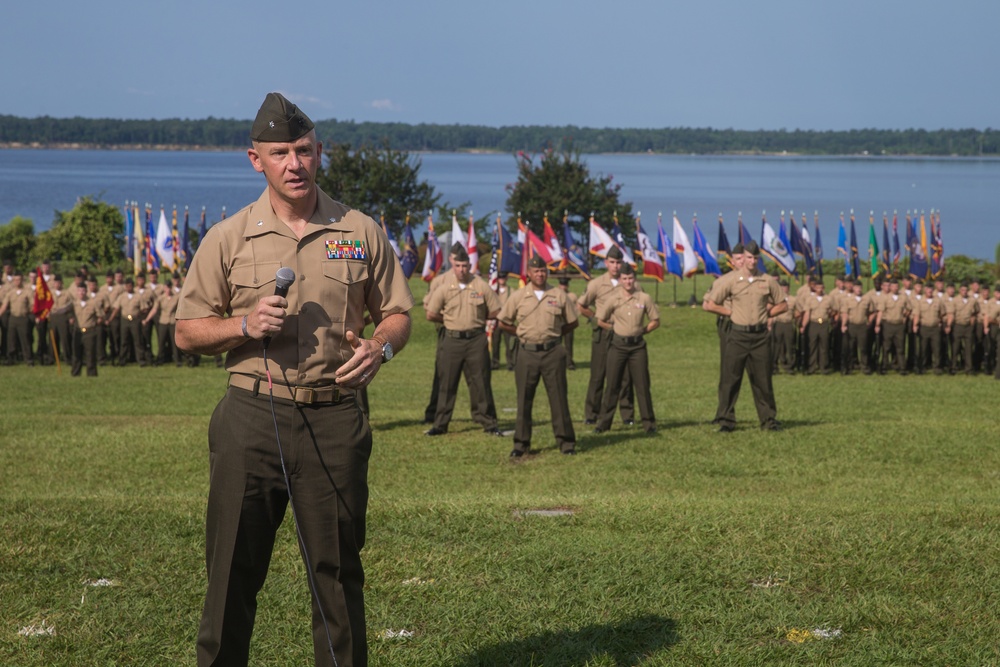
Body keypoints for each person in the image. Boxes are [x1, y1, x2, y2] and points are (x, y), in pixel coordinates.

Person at [174, 92, 414, 667]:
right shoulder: (229, 237)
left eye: (303, 150)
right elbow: (186, 331)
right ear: (256, 160)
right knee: (231, 572)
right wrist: (241, 323)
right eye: (279, 152)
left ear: (319, 152)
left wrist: (380, 347)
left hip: (335, 418)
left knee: (337, 577)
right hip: (251, 419)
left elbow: (400, 313)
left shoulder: (358, 231)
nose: (294, 163)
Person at [497, 255, 579, 457]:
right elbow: (503, 321)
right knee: (524, 399)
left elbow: (572, 322)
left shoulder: (558, 295)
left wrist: (556, 335)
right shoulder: (518, 296)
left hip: (553, 353)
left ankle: (566, 443)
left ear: (547, 272)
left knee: (559, 399)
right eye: (536, 271)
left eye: (543, 271)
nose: (540, 274)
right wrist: (521, 333)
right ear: (529, 273)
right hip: (527, 353)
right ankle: (521, 444)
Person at [702, 242, 786, 432]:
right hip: (737, 334)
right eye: (749, 257)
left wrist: (767, 314)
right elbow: (710, 304)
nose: (752, 261)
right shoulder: (731, 280)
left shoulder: (766, 281)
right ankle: (726, 420)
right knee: (731, 378)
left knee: (763, 380)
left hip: (760, 336)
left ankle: (768, 420)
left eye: (756, 258)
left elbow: (783, 304)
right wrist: (729, 313)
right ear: (743, 258)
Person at [424, 245, 504, 436]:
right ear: (454, 266)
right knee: (447, 383)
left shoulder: (480, 285)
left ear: (470, 266)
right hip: (452, 340)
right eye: (458, 265)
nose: (461, 269)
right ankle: (440, 424)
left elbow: (496, 309)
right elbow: (431, 313)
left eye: (465, 266)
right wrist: (449, 320)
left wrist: (479, 319)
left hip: (476, 339)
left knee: (481, 382)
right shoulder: (444, 287)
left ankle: (489, 423)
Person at [594, 263, 660, 433]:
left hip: (638, 347)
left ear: (634, 279)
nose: (628, 282)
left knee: (642, 385)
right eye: (624, 279)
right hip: (618, 346)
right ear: (620, 280)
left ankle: (649, 424)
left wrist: (643, 331)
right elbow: (600, 319)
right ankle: (603, 424)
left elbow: (655, 320)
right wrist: (613, 329)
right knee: (612, 385)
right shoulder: (613, 299)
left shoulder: (644, 298)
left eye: (630, 278)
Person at [577, 245, 634, 425]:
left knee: (625, 376)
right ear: (605, 263)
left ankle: (627, 415)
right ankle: (592, 414)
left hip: (623, 332)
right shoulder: (596, 284)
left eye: (618, 262)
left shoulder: (629, 282)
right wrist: (595, 318)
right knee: (598, 374)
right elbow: (581, 305)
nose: (615, 266)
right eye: (612, 262)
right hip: (603, 332)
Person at [913, 283, 950, 374]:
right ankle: (922, 367)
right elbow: (917, 314)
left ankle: (937, 367)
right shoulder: (920, 301)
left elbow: (943, 314)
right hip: (924, 328)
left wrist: (944, 325)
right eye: (928, 289)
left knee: (937, 349)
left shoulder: (938, 301)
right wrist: (915, 325)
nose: (929, 291)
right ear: (925, 290)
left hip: (935, 329)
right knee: (923, 349)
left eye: (931, 289)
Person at [0, 272, 34, 365]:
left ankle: (28, 359)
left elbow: (32, 304)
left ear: (22, 279)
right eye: (15, 280)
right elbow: (4, 306)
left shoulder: (27, 291)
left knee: (25, 340)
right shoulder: (10, 292)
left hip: (23, 318)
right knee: (11, 339)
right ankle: (11, 359)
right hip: (13, 318)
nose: (17, 282)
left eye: (18, 279)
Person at [69, 282, 101, 377]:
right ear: (76, 292)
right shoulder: (73, 304)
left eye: (83, 291)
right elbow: (69, 314)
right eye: (79, 291)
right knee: (76, 353)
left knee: (90, 353)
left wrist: (95, 324)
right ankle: (75, 373)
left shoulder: (93, 303)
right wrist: (71, 318)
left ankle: (91, 373)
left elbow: (100, 316)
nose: (81, 293)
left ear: (86, 291)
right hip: (78, 331)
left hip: (89, 331)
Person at [490, 271, 518, 371]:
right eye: (500, 278)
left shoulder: (512, 291)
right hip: (496, 320)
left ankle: (511, 363)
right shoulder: (493, 291)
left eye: (503, 278)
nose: (501, 280)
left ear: (506, 278)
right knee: (495, 342)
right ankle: (495, 362)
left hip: (507, 320)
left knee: (509, 343)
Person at [557, 276, 577, 370]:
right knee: (557, 344)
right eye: (561, 285)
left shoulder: (572, 296)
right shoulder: (555, 295)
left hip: (568, 322)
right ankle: (558, 362)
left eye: (565, 285)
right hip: (557, 322)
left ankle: (569, 362)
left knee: (569, 344)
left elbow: (576, 308)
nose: (563, 287)